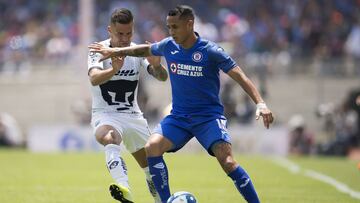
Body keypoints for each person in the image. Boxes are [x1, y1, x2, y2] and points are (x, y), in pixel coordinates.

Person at [89, 5, 274, 203]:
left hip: (208, 118)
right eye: (169, 27)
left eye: (175, 27)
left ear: (189, 24)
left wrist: (260, 103)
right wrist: (116, 51)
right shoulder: (169, 45)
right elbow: (143, 49)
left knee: (227, 161)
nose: (171, 32)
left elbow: (241, 77)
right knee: (152, 147)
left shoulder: (211, 51)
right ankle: (165, 200)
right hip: (179, 117)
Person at [87, 8, 168, 203]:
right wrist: (113, 70)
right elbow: (94, 79)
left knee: (151, 168)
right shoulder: (98, 50)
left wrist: (157, 65)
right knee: (110, 137)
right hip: (106, 114)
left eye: (128, 33)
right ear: (109, 30)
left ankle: (162, 200)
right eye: (120, 33)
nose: (124, 38)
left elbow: (163, 78)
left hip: (134, 116)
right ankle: (125, 189)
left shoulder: (136, 51)